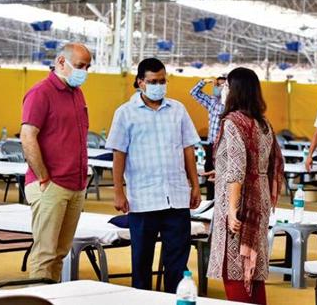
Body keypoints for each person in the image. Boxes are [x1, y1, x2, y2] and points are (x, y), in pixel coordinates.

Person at [106, 57, 202, 292]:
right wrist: (119, 192)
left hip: (176, 197)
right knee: (141, 261)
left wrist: (195, 185)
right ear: (140, 82)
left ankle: (173, 299)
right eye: (153, 81)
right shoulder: (125, 113)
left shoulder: (178, 109)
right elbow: (119, 155)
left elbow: (188, 149)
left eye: (162, 81)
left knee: (177, 261)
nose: (159, 85)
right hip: (143, 198)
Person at [207, 67, 283, 305]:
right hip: (259, 199)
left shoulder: (232, 122)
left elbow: (238, 169)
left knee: (235, 268)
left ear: (234, 89)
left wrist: (231, 210)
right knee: (254, 266)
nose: (223, 89)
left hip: (239, 203)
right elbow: (267, 162)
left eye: (226, 85)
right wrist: (220, 171)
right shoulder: (263, 123)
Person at [20, 42, 92, 281]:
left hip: (75, 185)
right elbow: (28, 136)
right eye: (81, 66)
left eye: (88, 67)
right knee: (45, 254)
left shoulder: (76, 93)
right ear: (61, 62)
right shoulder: (40, 92)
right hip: (51, 184)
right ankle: (37, 298)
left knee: (60, 254)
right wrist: (43, 177)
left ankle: (52, 297)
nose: (85, 72)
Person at [189, 76, 226, 200]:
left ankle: (222, 202)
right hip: (211, 145)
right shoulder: (212, 101)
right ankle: (210, 201)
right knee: (209, 172)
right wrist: (204, 81)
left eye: (222, 86)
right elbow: (194, 93)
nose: (219, 88)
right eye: (217, 86)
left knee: (223, 175)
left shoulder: (233, 105)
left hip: (225, 146)